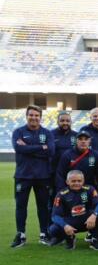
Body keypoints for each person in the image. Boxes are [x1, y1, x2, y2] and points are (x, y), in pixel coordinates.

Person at [12, 105, 55, 248]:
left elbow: (51, 151)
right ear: (26, 116)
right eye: (31, 115)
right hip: (23, 176)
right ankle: (21, 234)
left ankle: (44, 233)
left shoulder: (47, 133)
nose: (34, 118)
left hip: (42, 176)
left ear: (40, 117)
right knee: (20, 206)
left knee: (43, 206)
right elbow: (18, 148)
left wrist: (28, 148)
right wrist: (40, 147)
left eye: (36, 115)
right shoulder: (18, 132)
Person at [47, 170, 98, 251]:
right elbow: (55, 216)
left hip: (87, 221)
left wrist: (94, 215)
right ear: (67, 182)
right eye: (73, 181)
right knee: (53, 230)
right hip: (71, 223)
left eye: (79, 181)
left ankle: (94, 240)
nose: (76, 183)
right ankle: (70, 239)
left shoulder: (90, 189)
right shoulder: (61, 194)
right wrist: (65, 225)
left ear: (83, 181)